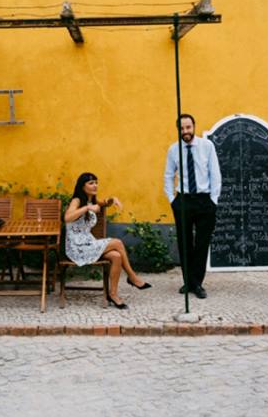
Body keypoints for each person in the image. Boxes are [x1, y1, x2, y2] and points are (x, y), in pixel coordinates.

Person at [64, 172, 151, 310]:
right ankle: (132, 277)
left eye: (96, 182)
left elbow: (104, 203)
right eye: (91, 183)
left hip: (88, 243)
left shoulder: (91, 200)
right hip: (77, 247)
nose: (95, 185)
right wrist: (86, 208)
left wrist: (113, 199)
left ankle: (113, 294)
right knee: (117, 243)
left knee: (116, 257)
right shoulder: (77, 200)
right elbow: (67, 218)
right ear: (82, 186)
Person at [163, 113, 221, 299]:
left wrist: (214, 200)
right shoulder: (173, 150)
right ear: (178, 129)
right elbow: (168, 175)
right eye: (182, 128)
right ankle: (188, 282)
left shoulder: (207, 146)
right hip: (184, 200)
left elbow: (215, 173)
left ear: (194, 127)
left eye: (188, 127)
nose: (185, 131)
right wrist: (172, 199)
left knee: (202, 243)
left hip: (204, 200)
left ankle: (197, 283)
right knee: (184, 243)